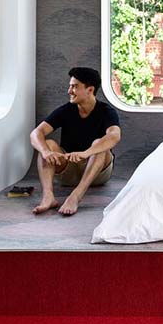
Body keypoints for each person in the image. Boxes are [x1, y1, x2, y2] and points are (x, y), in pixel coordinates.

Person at [30, 67, 121, 216]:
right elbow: (36, 133)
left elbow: (114, 136)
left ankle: (75, 196)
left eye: (74, 87)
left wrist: (86, 153)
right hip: (68, 172)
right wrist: (45, 151)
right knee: (49, 144)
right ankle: (48, 197)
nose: (69, 91)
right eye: (70, 86)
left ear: (90, 90)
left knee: (99, 145)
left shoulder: (106, 111)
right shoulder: (66, 110)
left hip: (97, 173)